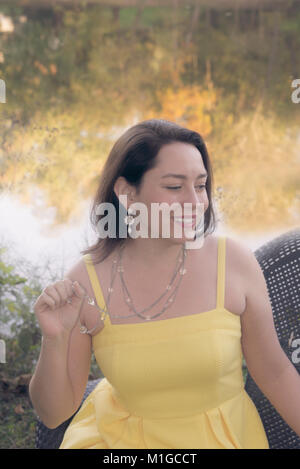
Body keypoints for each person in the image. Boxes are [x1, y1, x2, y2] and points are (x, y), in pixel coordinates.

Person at [29, 119, 300, 449]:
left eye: (200, 186)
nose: (195, 202)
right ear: (127, 192)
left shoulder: (234, 263)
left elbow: (275, 373)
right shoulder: (85, 283)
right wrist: (54, 339)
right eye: (174, 187)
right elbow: (54, 413)